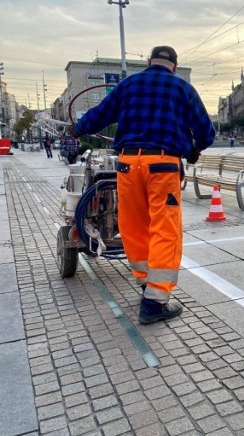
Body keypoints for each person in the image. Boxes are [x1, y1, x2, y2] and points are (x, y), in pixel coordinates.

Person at [68, 45, 215, 324]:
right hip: (162, 166)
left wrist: (76, 129)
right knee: (164, 228)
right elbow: (207, 132)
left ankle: (147, 283)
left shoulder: (128, 85)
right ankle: (155, 302)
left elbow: (99, 115)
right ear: (175, 64)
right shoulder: (183, 89)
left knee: (133, 225)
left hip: (128, 165)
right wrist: (194, 148)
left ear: (149, 62)